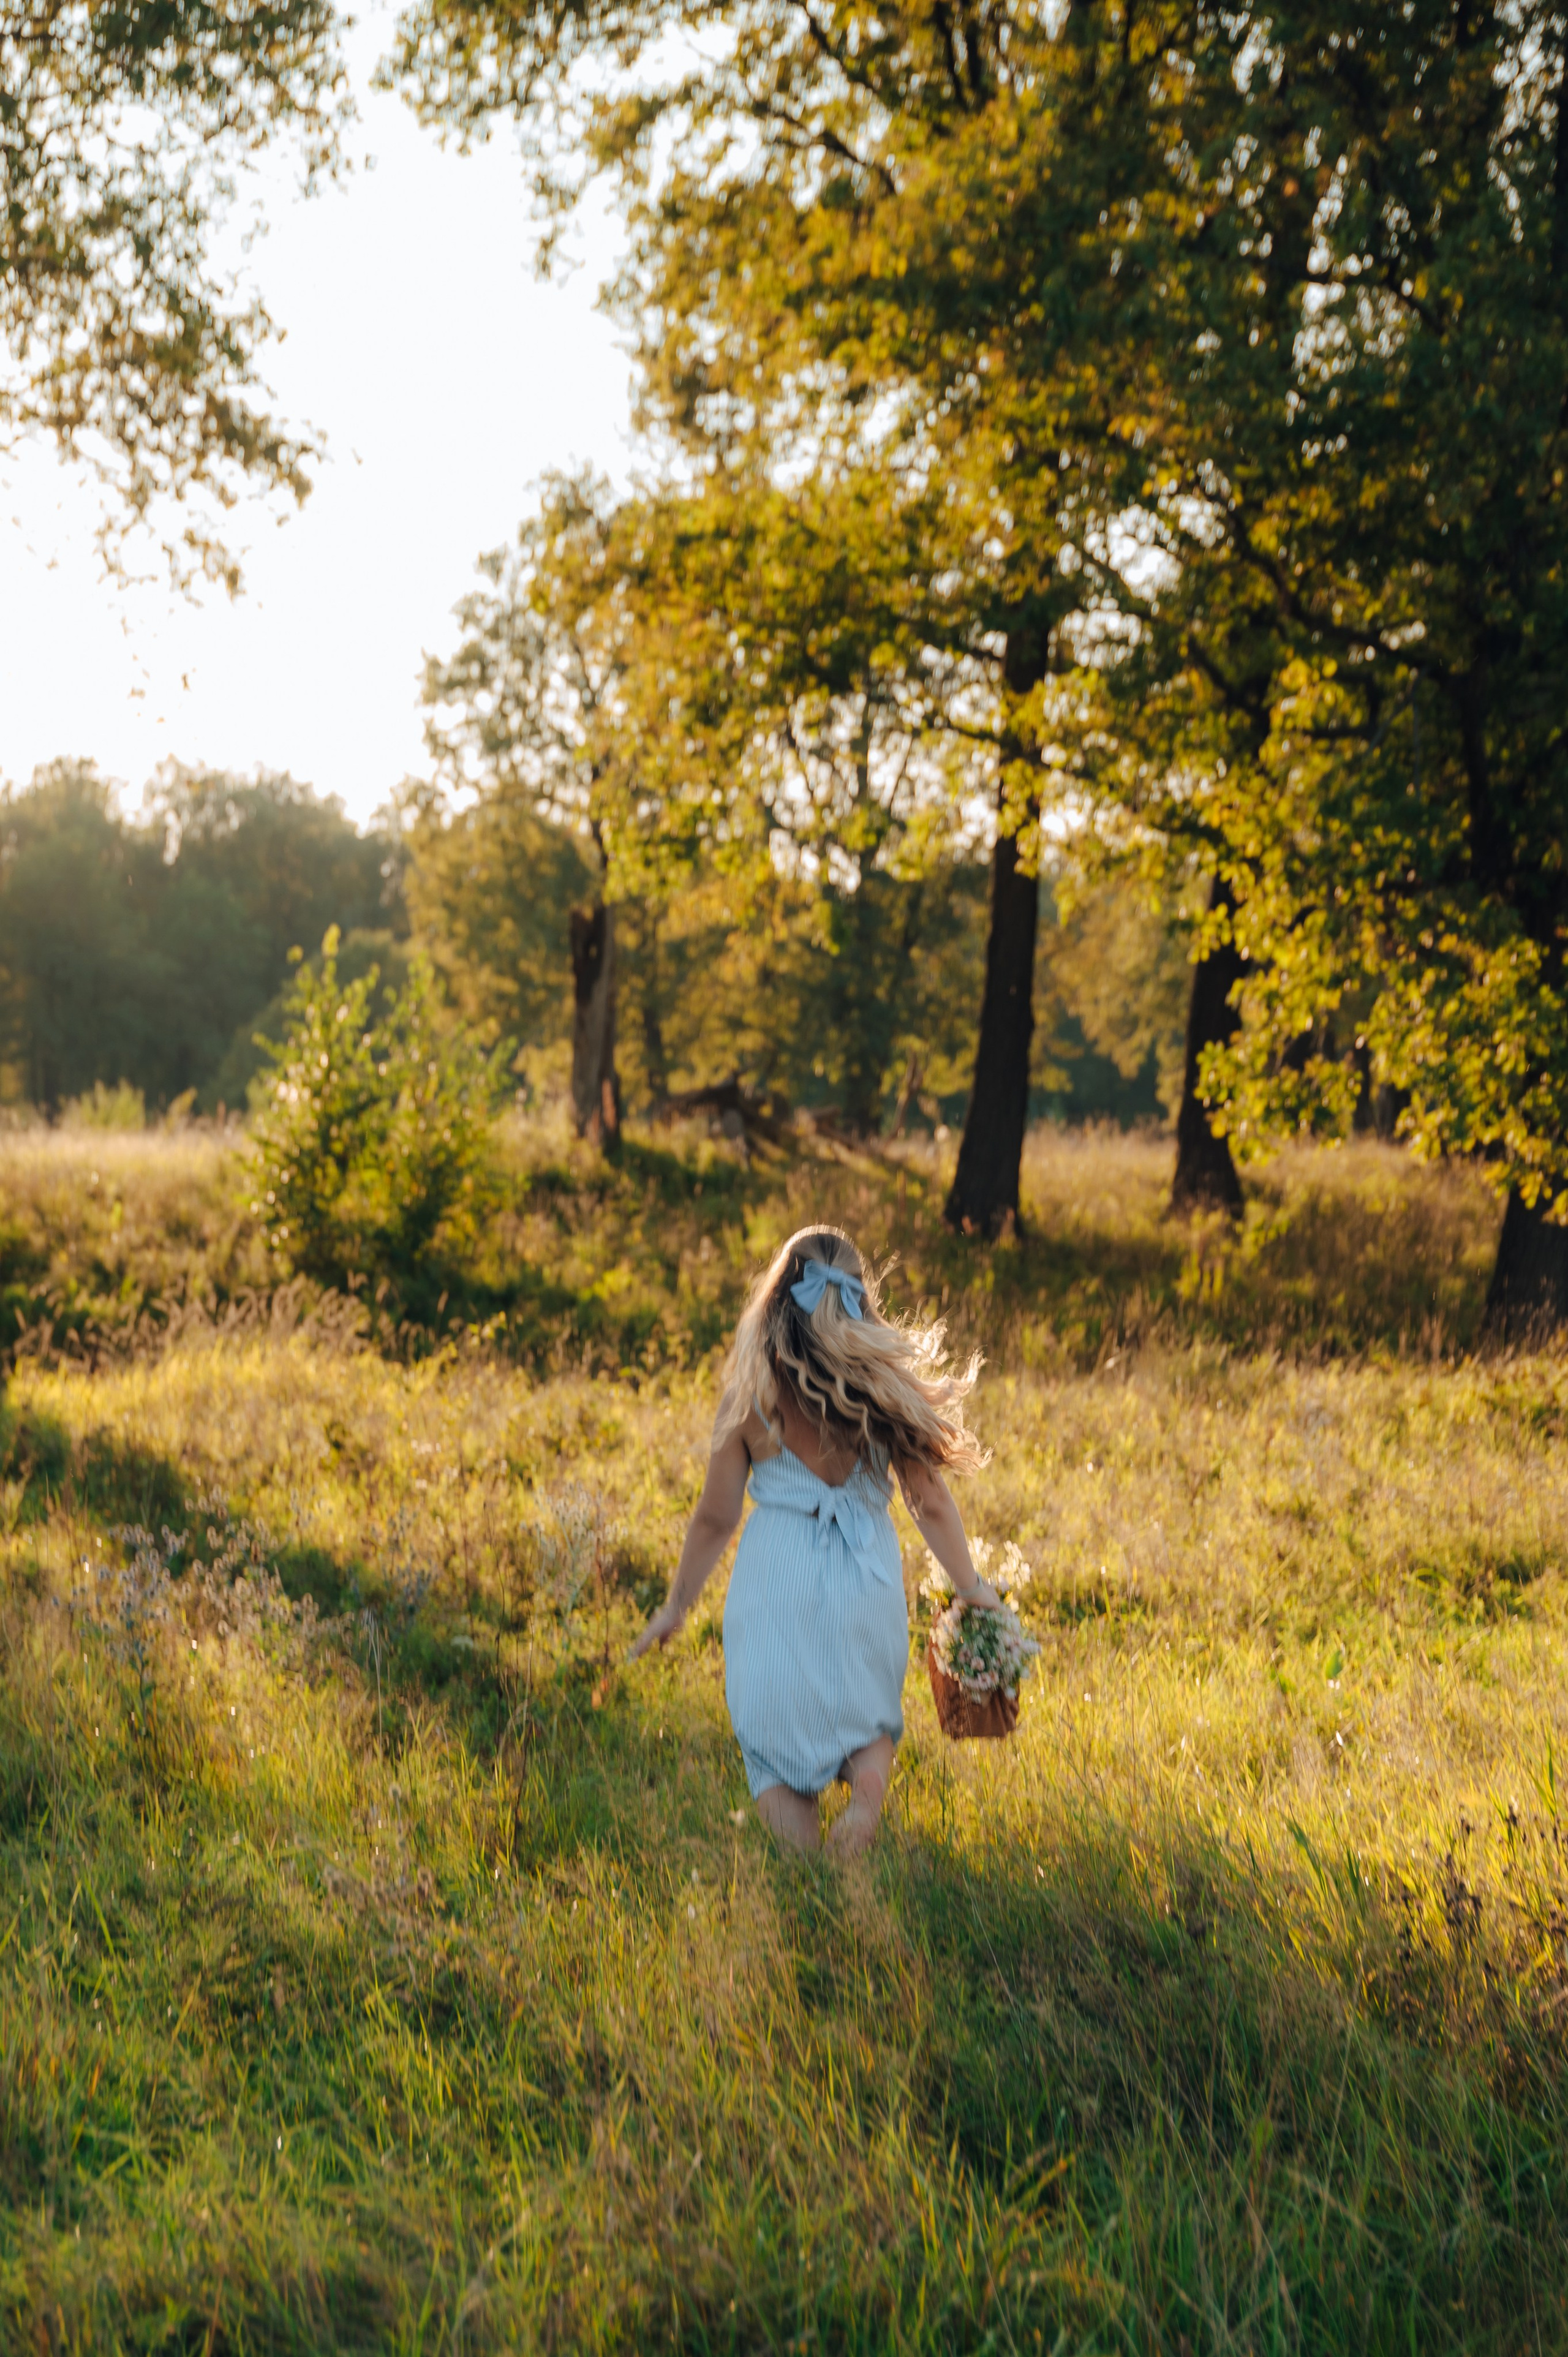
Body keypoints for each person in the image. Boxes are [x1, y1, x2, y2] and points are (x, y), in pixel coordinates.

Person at [628, 1225, 999, 1856]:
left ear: (776, 1301)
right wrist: (972, 1587)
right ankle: (863, 1802)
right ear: (861, 1300)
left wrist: (676, 1605)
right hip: (865, 1580)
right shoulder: (882, 1390)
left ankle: (804, 1872)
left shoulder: (751, 1395)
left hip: (777, 1584)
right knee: (869, 1721)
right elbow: (929, 1498)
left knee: (772, 1755)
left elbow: (715, 1518)